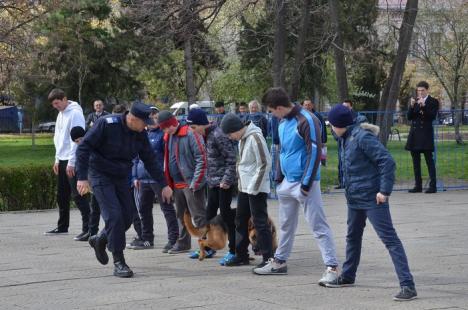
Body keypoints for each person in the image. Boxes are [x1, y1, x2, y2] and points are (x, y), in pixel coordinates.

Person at [324, 104, 417, 301]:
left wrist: (384, 191)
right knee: (352, 237)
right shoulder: (346, 137)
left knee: (390, 240)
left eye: (332, 125)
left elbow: (387, 161)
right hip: (355, 198)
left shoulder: (362, 137)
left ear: (340, 125)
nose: (331, 128)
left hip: (372, 198)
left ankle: (408, 286)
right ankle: (348, 276)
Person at [75, 102, 172, 278]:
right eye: (144, 123)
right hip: (100, 174)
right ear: (133, 119)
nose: (146, 127)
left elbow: (150, 159)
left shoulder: (139, 134)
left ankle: (100, 239)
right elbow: (84, 147)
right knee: (114, 216)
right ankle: (119, 262)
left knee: (127, 218)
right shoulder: (107, 124)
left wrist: (164, 184)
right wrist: (81, 177)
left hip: (121, 175)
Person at [254, 88, 339, 285]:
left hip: (304, 183)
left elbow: (315, 152)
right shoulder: (283, 121)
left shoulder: (307, 120)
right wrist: (278, 177)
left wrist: (306, 184)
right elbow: (281, 150)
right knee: (285, 225)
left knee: (318, 225)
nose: (271, 114)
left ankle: (332, 268)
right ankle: (279, 262)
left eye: (271, 110)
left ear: (280, 107)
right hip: (287, 182)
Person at [220, 113, 273, 268]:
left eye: (230, 134)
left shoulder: (255, 137)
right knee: (240, 220)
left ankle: (268, 258)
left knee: (260, 222)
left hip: (256, 188)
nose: (230, 137)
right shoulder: (243, 138)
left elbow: (264, 163)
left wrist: (254, 188)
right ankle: (241, 254)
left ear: (236, 129)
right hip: (245, 187)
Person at [186, 108, 237, 264]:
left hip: (224, 184)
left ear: (202, 124)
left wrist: (227, 180)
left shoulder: (218, 135)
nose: (193, 131)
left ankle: (234, 250)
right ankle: (208, 247)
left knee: (227, 215)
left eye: (194, 128)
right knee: (209, 215)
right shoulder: (205, 135)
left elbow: (231, 159)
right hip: (212, 182)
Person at [158, 110, 208, 255]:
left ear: (173, 122)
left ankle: (205, 244)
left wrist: (196, 182)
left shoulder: (191, 134)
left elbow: (201, 158)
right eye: (164, 128)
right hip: (176, 183)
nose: (167, 130)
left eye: (168, 127)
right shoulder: (168, 136)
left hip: (191, 183)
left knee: (198, 216)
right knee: (181, 215)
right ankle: (183, 243)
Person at [130, 108, 179, 251]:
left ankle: (173, 239)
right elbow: (135, 157)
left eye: (156, 118)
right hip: (142, 178)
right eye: (151, 118)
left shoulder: (164, 136)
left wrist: (167, 180)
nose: (153, 121)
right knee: (144, 210)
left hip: (158, 179)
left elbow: (168, 157)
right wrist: (134, 176)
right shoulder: (141, 134)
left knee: (167, 209)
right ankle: (147, 238)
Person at [44, 89, 90, 242]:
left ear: (64, 99)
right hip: (62, 158)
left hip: (72, 159)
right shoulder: (60, 113)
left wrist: (72, 161)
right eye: (53, 104)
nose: (56, 106)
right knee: (61, 195)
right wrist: (57, 159)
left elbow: (77, 139)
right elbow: (58, 138)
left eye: (57, 103)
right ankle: (63, 226)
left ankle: (88, 228)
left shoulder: (75, 113)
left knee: (78, 195)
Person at [405, 81, 439, 194]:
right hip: (414, 136)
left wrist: (423, 106)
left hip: (426, 135)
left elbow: (432, 116)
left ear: (427, 90)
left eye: (422, 90)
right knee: (416, 163)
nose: (420, 92)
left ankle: (433, 186)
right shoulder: (414, 100)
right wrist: (411, 106)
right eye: (418, 90)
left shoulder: (433, 101)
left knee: (430, 161)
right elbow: (409, 117)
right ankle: (418, 186)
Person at [70, 126, 101, 238]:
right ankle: (92, 232)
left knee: (105, 209)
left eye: (80, 139)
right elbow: (80, 166)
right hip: (92, 182)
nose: (79, 142)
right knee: (94, 209)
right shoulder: (80, 149)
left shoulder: (93, 146)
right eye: (76, 141)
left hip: (100, 181)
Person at [302, 99, 328, 166]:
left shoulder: (317, 115)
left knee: (317, 160)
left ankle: (321, 163)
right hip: (304, 140)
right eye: (305, 105)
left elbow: (323, 128)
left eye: (309, 105)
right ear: (303, 106)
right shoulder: (300, 116)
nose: (307, 106)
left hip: (316, 140)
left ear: (312, 106)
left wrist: (323, 140)